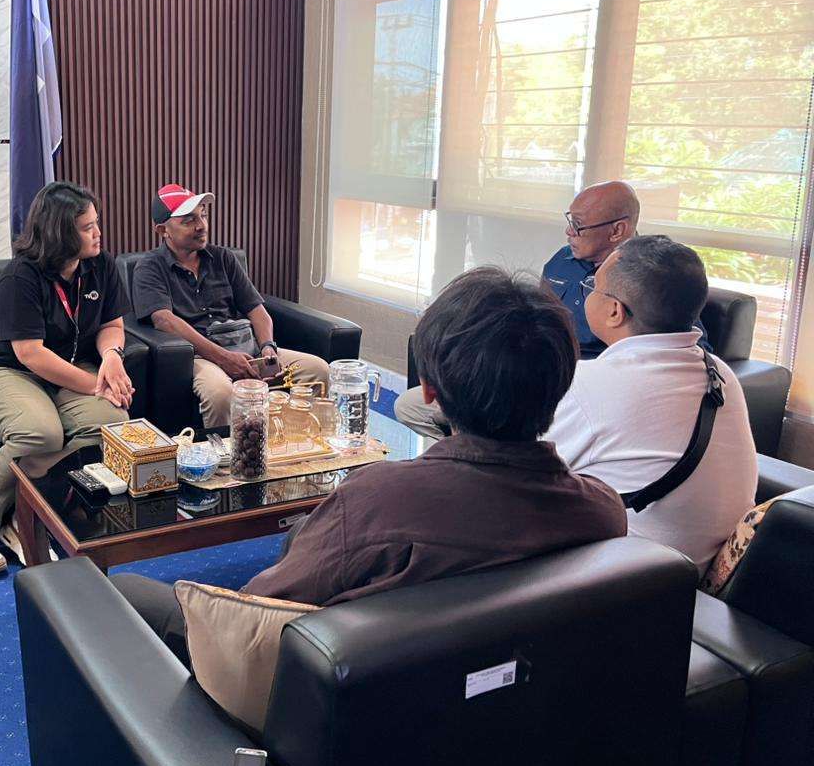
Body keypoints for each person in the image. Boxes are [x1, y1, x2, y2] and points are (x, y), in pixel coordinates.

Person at [113, 267, 628, 661]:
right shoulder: (602, 510)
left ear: (428, 389)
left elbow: (250, 616)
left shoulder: (374, 503)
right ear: (560, 385)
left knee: (121, 592)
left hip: (325, 709)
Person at [395, 180, 708, 439]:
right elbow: (529, 322)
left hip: (584, 397)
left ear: (617, 231)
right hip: (529, 378)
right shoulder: (562, 261)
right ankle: (463, 465)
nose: (569, 232)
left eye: (578, 226)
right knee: (410, 405)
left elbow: (688, 352)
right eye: (569, 221)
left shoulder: (653, 279)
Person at [0, 182, 133, 578]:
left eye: (96, 223)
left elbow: (112, 325)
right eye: (87, 227)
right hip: (5, 370)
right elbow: (30, 353)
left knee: (111, 424)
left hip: (67, 369)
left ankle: (24, 511)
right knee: (40, 433)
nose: (98, 233)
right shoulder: (20, 277)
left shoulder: (101, 265)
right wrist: (97, 385)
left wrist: (111, 358)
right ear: (60, 233)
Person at [543, 236, 757, 574]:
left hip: (617, 577)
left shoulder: (589, 385)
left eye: (592, 287)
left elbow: (512, 470)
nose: (587, 293)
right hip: (696, 572)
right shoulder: (719, 373)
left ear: (615, 311)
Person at [130, 183, 330, 428]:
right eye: (189, 220)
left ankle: (298, 443)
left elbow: (257, 309)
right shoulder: (149, 267)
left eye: (203, 215)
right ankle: (227, 453)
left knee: (318, 370)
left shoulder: (223, 258)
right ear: (163, 230)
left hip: (246, 348)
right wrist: (223, 357)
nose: (201, 225)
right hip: (200, 356)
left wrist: (268, 348)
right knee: (221, 394)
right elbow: (164, 320)